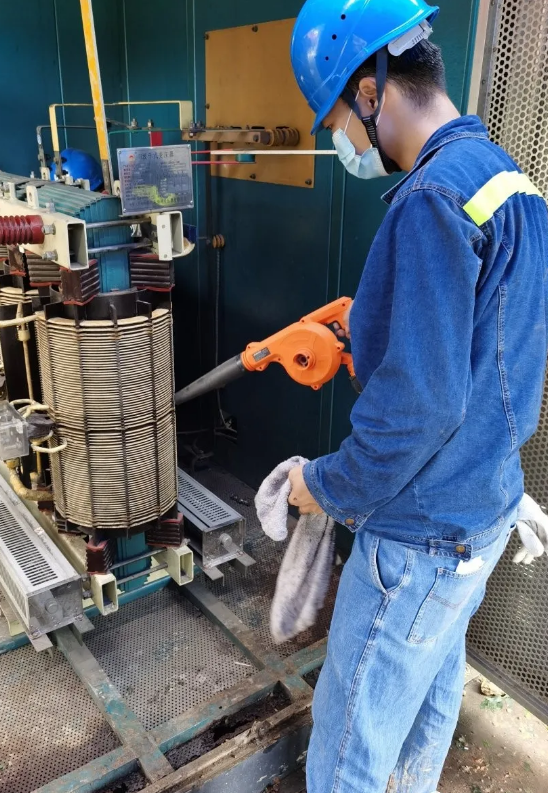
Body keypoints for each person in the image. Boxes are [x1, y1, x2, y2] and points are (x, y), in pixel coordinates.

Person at [286, 1, 548, 791]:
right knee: (428, 706)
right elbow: (490, 351)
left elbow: (420, 409)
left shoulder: (429, 199)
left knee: (346, 755)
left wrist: (324, 484)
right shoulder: (506, 178)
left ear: (371, 91)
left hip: (417, 540)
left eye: (338, 120)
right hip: (481, 512)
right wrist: (374, 331)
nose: (343, 141)